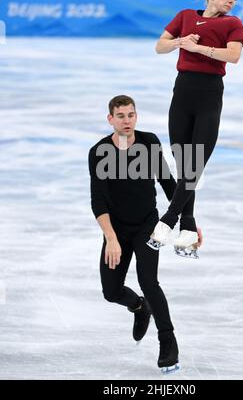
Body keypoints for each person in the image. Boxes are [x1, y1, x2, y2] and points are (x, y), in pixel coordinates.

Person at [89, 95, 202, 372]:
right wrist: (111, 239)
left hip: (146, 225)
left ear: (136, 117)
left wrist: (187, 220)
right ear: (110, 119)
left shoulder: (149, 142)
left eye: (131, 115)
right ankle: (140, 308)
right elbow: (98, 201)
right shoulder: (99, 151)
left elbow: (168, 182)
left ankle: (168, 342)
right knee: (111, 291)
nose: (127, 121)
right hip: (116, 229)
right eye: (121, 116)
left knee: (149, 280)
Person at [148, 0, 243, 254]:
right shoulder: (185, 16)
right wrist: (181, 42)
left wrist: (198, 47)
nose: (232, 1)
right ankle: (188, 227)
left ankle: (168, 220)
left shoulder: (232, 23)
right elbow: (159, 47)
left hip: (210, 94)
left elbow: (233, 56)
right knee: (185, 166)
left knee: (195, 164)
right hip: (182, 93)